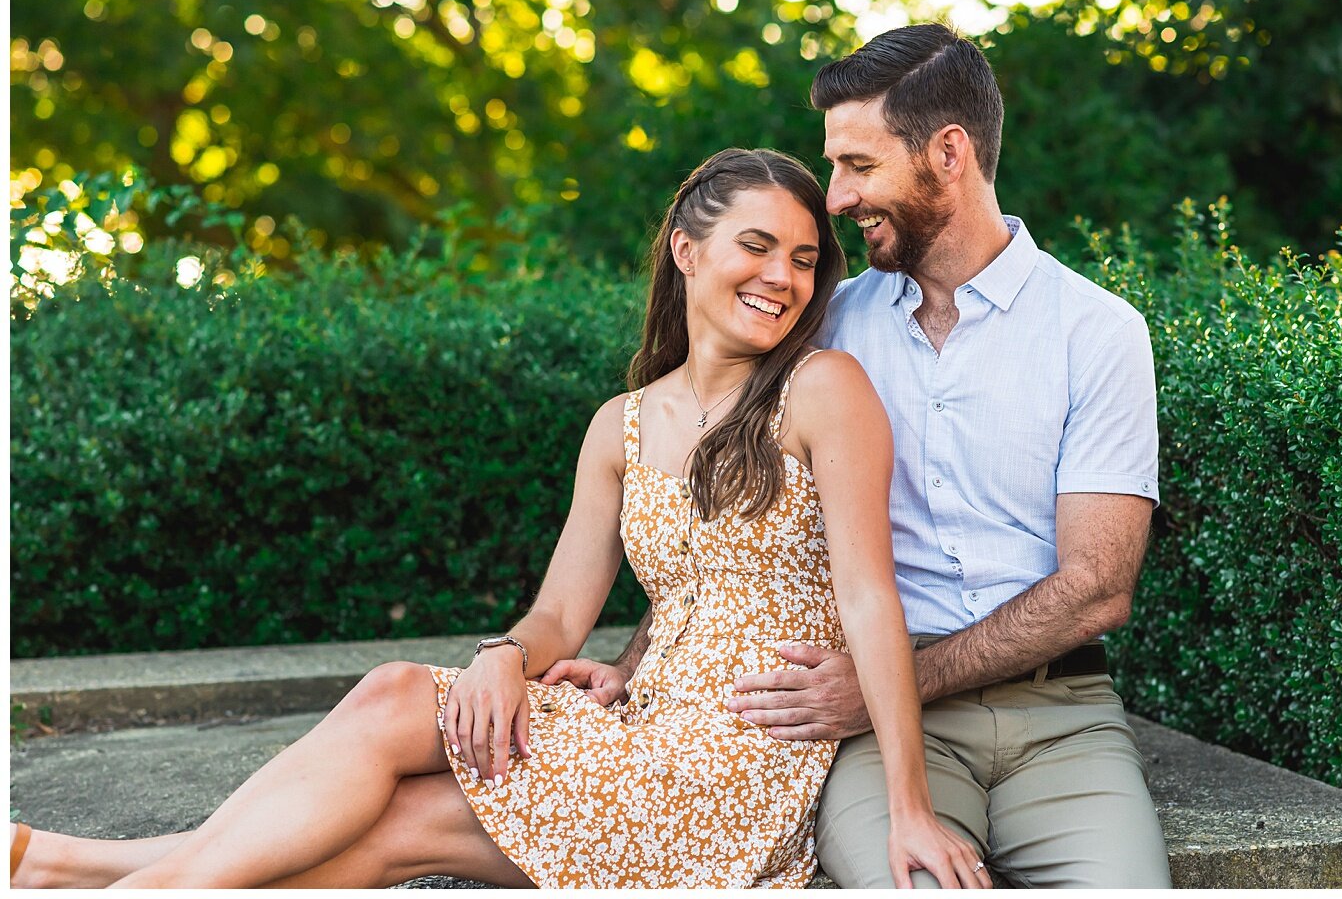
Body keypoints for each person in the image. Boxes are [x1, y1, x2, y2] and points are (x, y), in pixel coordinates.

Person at [8, 148, 987, 889]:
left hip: (737, 767)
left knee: (397, 714)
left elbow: (868, 599)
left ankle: (78, 873)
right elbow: (559, 616)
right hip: (638, 725)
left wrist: (908, 808)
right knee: (397, 814)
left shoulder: (824, 388)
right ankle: (76, 875)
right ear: (687, 249)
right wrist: (503, 655)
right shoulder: (623, 424)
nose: (786, 277)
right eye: (758, 246)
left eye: (808, 259)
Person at [560, 25, 1175, 888]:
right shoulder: (823, 327)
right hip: (874, 725)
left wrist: (898, 679)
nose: (838, 197)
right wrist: (635, 668)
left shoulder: (1097, 333)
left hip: (1062, 718)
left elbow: (1098, 587)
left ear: (948, 153)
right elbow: (723, 533)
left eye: (858, 164)